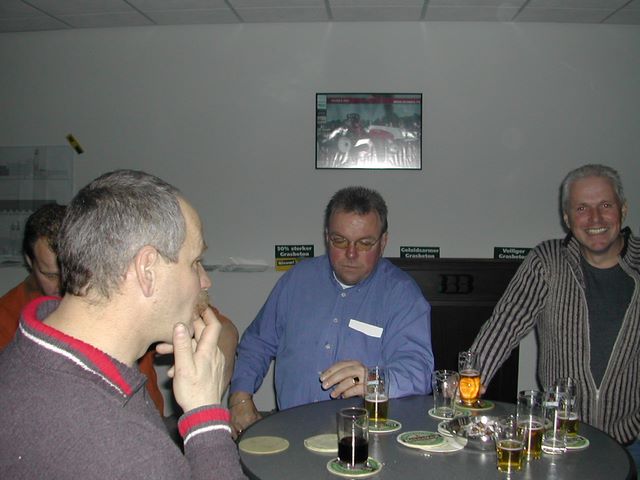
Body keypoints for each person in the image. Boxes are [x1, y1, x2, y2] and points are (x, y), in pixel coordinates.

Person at [0, 170, 247, 479]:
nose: (205, 280)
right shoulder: (128, 454)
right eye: (195, 262)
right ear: (147, 270)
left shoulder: (30, 349)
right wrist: (206, 419)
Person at [470, 164, 640, 467]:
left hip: (633, 441)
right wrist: (471, 380)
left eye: (605, 205)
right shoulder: (548, 260)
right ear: (567, 218)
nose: (595, 218)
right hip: (557, 441)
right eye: (582, 208)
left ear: (623, 210)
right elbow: (506, 324)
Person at [229, 186, 433, 432]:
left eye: (364, 243)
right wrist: (240, 398)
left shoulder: (402, 295)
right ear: (327, 237)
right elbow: (257, 343)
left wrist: (374, 380)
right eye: (340, 240)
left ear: (383, 243)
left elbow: (419, 371)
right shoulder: (297, 280)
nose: (351, 253)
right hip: (292, 429)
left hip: (365, 436)